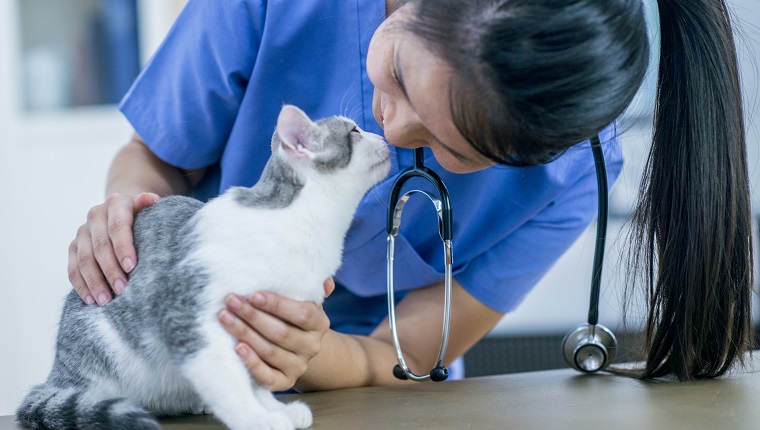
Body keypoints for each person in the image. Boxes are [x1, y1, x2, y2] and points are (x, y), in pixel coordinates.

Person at [68, 0, 752, 391]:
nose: (391, 128)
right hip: (181, 359)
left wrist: (309, 354)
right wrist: (130, 211)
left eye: (455, 151)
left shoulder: (572, 175)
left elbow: (403, 356)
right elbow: (155, 158)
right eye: (396, 72)